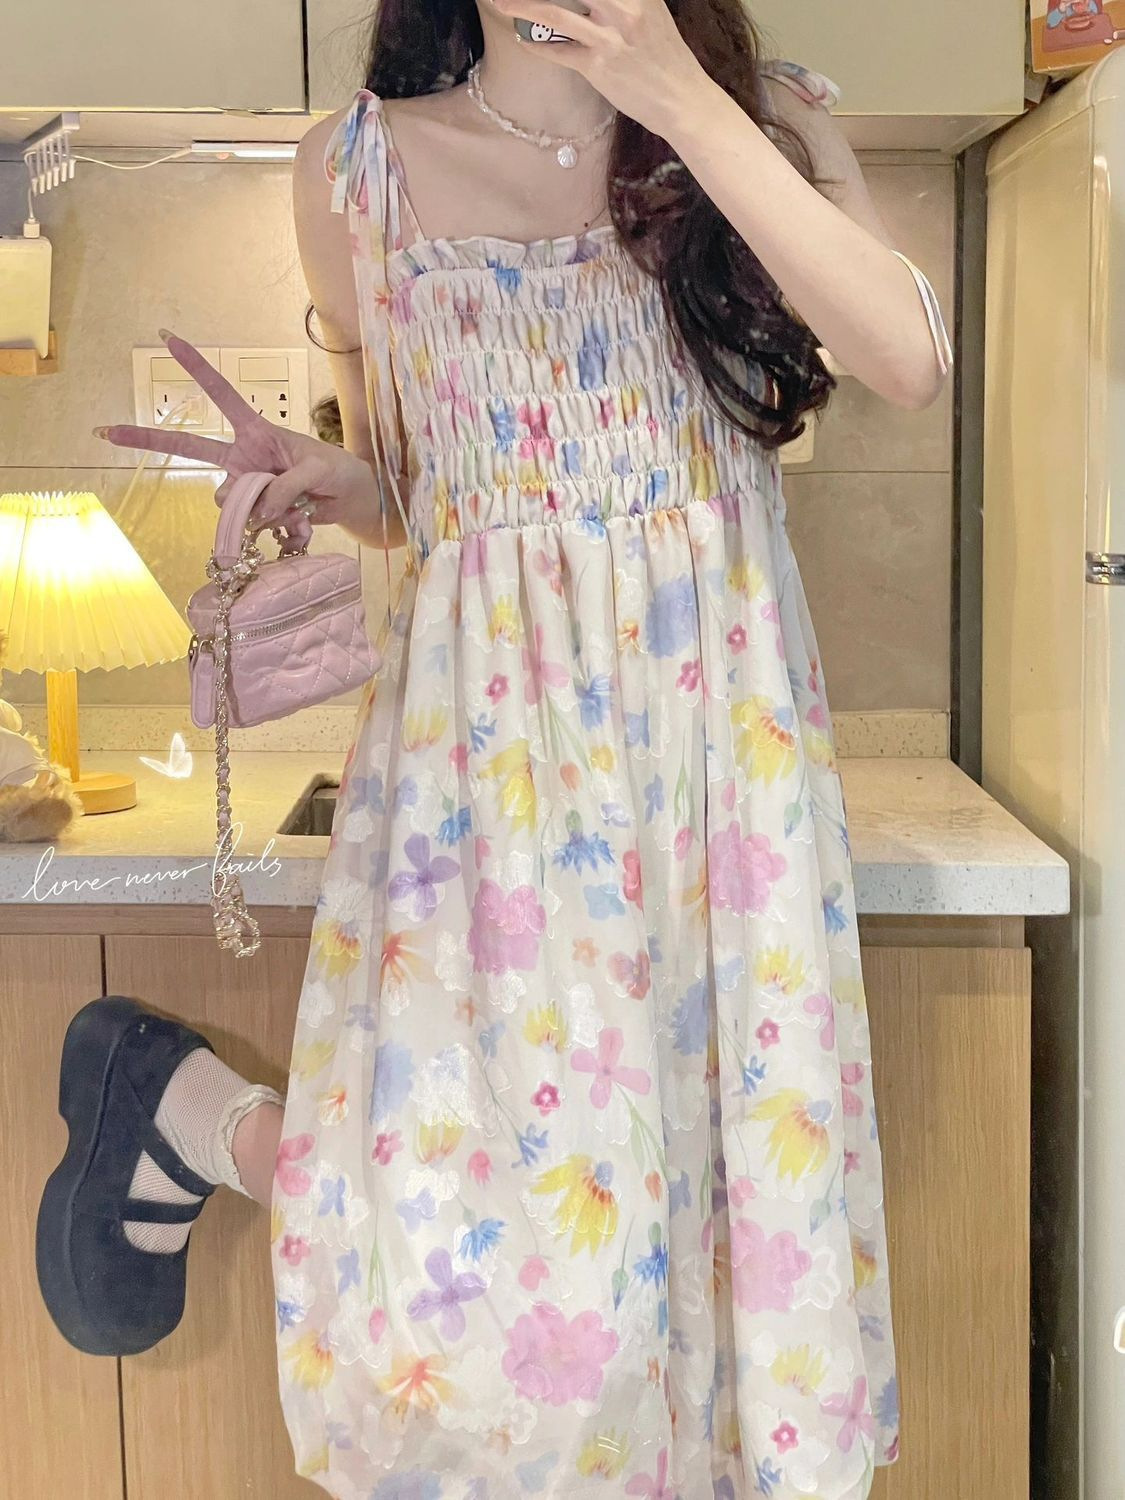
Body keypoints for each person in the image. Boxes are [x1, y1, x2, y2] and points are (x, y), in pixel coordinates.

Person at [36, 2, 952, 1496]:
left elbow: (909, 358)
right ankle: (196, 1113)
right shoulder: (352, 174)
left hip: (717, 781)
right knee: (469, 1259)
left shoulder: (762, 124)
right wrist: (336, 481)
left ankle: (188, 1112)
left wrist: (677, 92)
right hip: (490, 784)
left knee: (714, 1245)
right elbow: (427, 489)